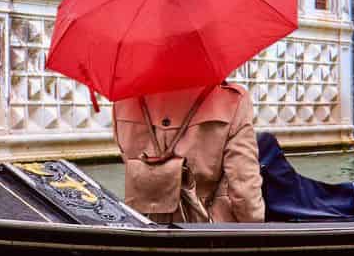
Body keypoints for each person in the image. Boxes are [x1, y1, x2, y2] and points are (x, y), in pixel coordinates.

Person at [112, 82, 265, 223]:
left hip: (143, 225)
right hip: (210, 231)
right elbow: (244, 186)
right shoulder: (232, 100)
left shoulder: (123, 101)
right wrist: (255, 230)